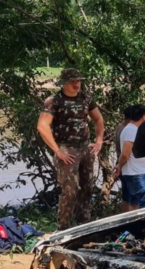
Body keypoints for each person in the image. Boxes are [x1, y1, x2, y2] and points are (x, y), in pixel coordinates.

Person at [37, 68, 104, 231]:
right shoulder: (54, 101)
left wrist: (99, 141)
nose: (76, 84)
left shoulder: (86, 98)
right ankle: (63, 227)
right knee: (70, 190)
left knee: (87, 188)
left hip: (85, 148)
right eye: (73, 81)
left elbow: (98, 119)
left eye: (78, 81)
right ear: (64, 83)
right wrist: (58, 150)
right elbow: (42, 126)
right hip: (67, 150)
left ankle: (84, 225)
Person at [113, 105, 145, 211]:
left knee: (134, 202)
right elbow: (125, 154)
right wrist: (120, 166)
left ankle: (133, 222)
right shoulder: (131, 130)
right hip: (137, 174)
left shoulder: (133, 129)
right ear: (143, 116)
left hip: (138, 172)